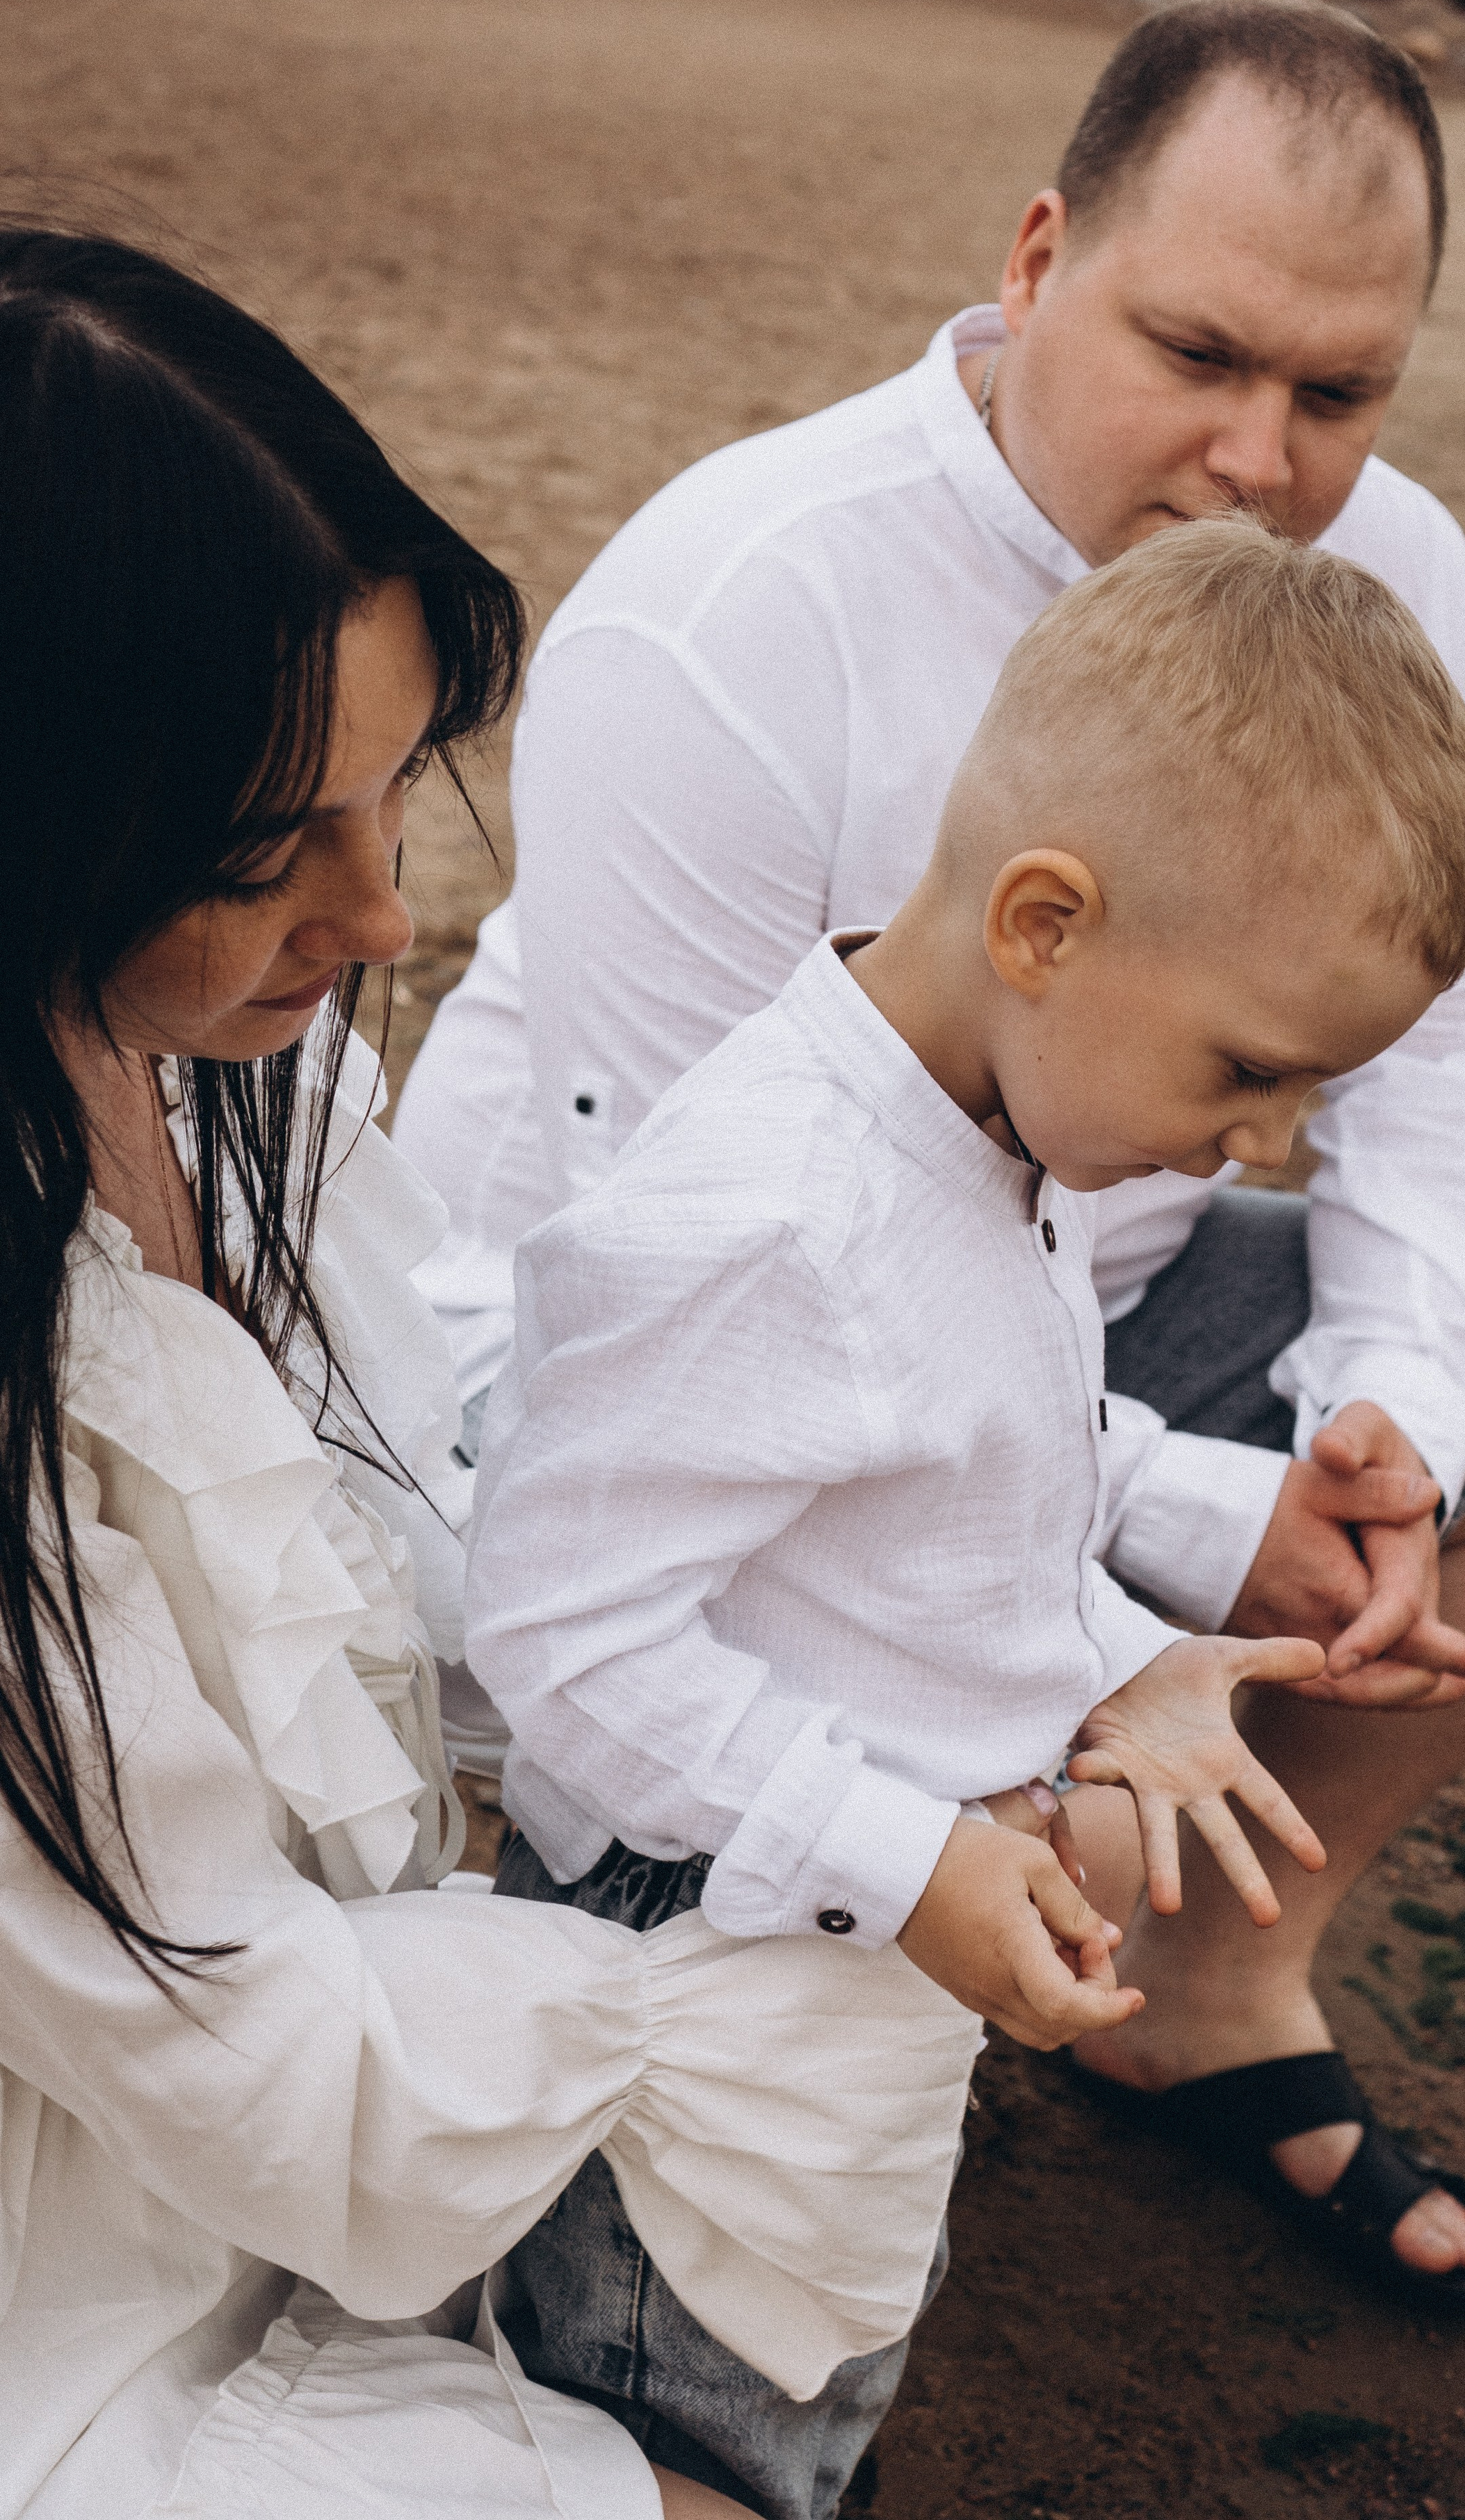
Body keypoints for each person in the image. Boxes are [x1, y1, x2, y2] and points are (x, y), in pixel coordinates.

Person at [396, 0, 1465, 2298]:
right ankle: (899, 1945)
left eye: (1340, 392)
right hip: (677, 1396)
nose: (1262, 457)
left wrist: (1369, 1415)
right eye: (1199, 351)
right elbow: (694, 1322)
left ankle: (1189, 1993)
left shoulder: (1398, 576)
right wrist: (1088, 1637)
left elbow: (1456, 1055)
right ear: (1033, 258)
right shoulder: (741, 609)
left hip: (1050, 1322)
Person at [0, 227, 976, 2520]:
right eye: (266, 849)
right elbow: (216, 2029)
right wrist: (716, 2017)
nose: (385, 920)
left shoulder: (235, 1058)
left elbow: (423, 1509)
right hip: (89, 2258)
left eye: (394, 787)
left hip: (350, 2061)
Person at [465, 521, 1465, 2520]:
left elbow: (976, 1453)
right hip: (697, 1988)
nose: (1254, 1147)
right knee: (682, 2418)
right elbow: (563, 1637)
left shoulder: (979, 1130)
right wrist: (911, 1857)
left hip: (850, 1944)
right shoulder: (769, 1220)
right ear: (1045, 922)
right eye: (1247, 1073)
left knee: (820, 2340)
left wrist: (1179, 1607)